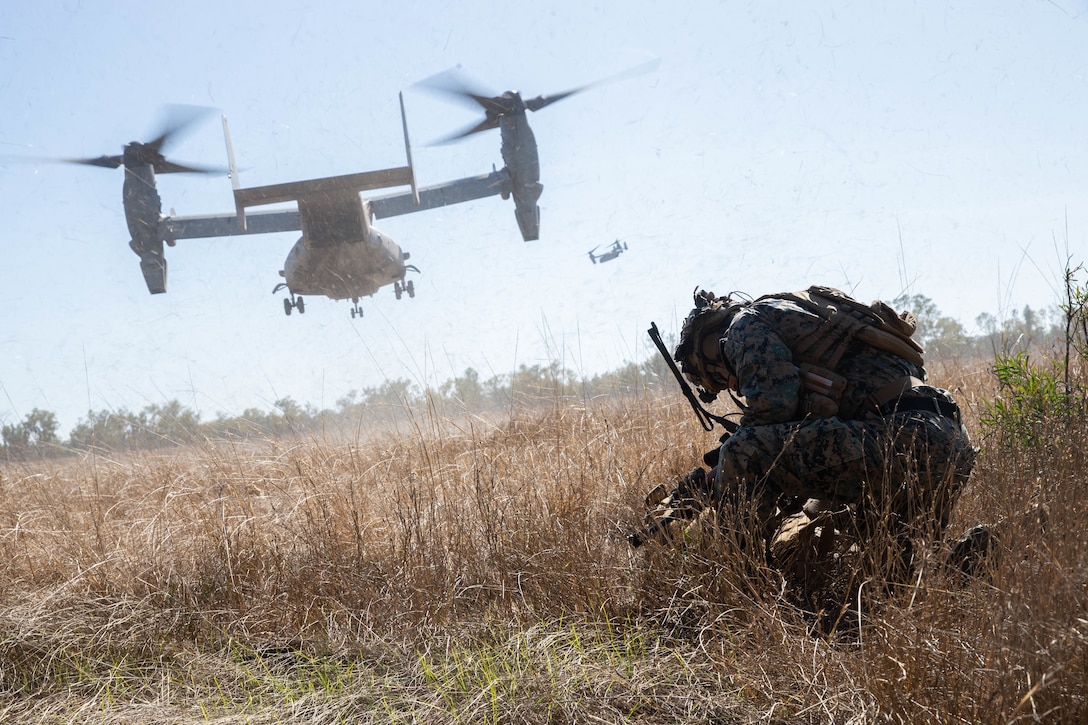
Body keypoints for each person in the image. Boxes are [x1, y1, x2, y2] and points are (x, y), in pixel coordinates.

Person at [670, 286, 976, 581]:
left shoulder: (743, 326)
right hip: (945, 439)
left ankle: (743, 590)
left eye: (724, 378)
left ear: (709, 348)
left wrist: (725, 470)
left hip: (897, 440)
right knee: (890, 581)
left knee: (743, 451)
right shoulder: (806, 315)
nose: (733, 385)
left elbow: (774, 405)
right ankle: (975, 560)